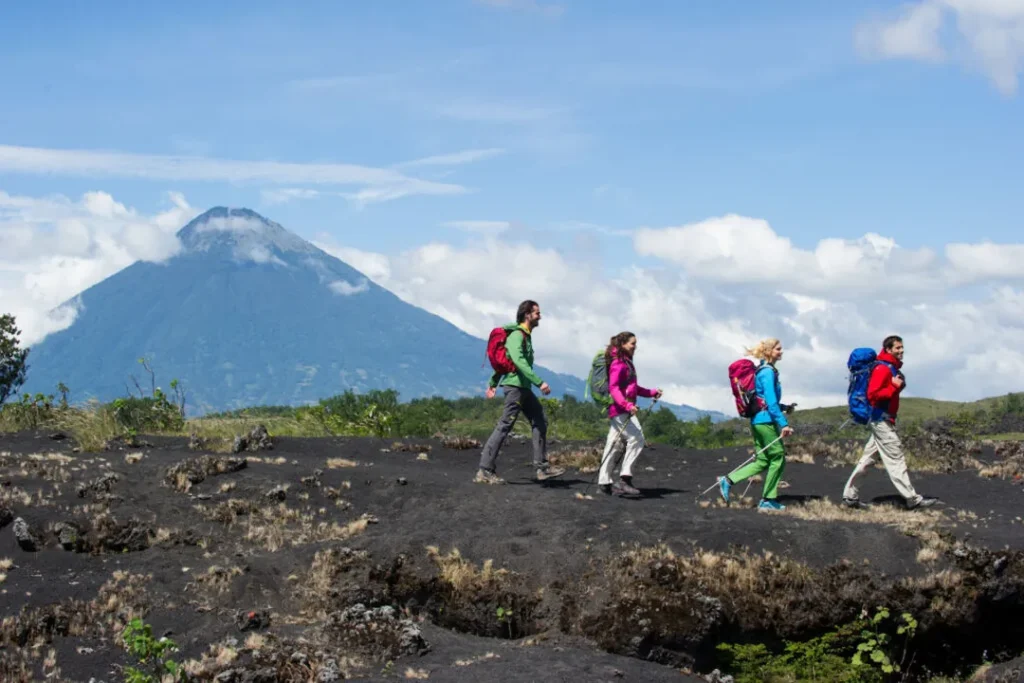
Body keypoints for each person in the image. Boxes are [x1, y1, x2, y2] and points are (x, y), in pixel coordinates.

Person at [475, 300, 566, 484]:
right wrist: (539, 382)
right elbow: (517, 361)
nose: (540, 316)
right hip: (515, 388)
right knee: (504, 425)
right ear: (527, 315)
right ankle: (485, 470)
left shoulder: (525, 335)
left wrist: (493, 383)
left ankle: (541, 468)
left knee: (539, 419)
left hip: (523, 388)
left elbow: (508, 362)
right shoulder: (517, 335)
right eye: (537, 313)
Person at [842, 336, 938, 510]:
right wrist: (894, 386)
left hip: (881, 419)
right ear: (887, 349)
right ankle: (913, 499)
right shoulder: (883, 369)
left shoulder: (888, 368)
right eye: (897, 348)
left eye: (902, 347)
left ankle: (850, 497)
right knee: (896, 458)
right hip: (881, 420)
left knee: (868, 459)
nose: (901, 351)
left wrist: (896, 386)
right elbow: (873, 395)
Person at [718, 338, 795, 510]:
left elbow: (765, 400)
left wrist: (784, 408)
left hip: (758, 420)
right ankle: (768, 500)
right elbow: (770, 401)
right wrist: (783, 424)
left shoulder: (762, 371)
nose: (781, 351)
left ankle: (728, 480)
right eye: (778, 349)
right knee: (778, 457)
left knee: (762, 460)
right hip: (766, 421)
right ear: (769, 352)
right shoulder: (768, 372)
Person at [597, 332, 663, 497]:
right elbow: (614, 388)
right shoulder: (619, 364)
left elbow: (634, 388)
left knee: (613, 444)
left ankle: (604, 483)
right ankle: (625, 478)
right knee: (637, 438)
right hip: (621, 410)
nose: (635, 346)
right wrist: (627, 405)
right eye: (633, 343)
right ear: (623, 344)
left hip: (621, 409)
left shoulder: (627, 363)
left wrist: (652, 392)